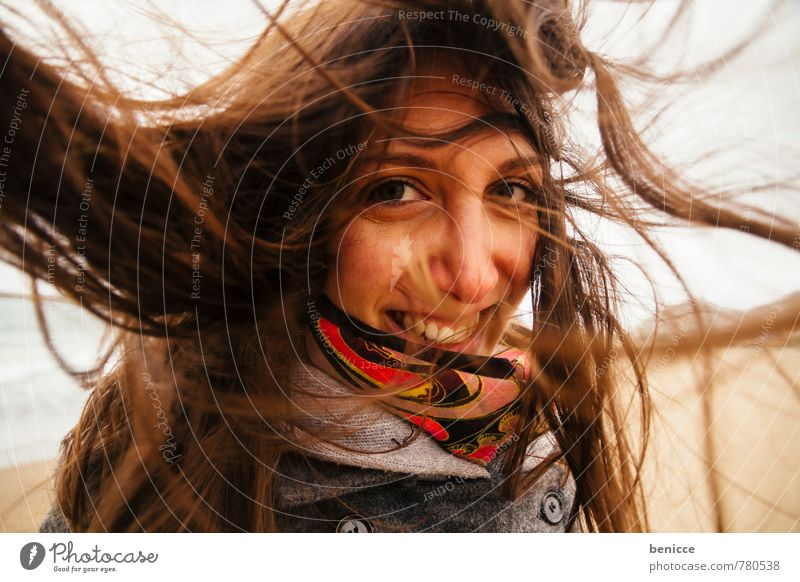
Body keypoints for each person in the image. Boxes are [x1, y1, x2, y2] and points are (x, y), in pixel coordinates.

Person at [1, 0, 796, 532]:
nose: (479, 278)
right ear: (303, 216)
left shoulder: (525, 404)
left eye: (512, 189)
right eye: (396, 189)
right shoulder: (164, 446)